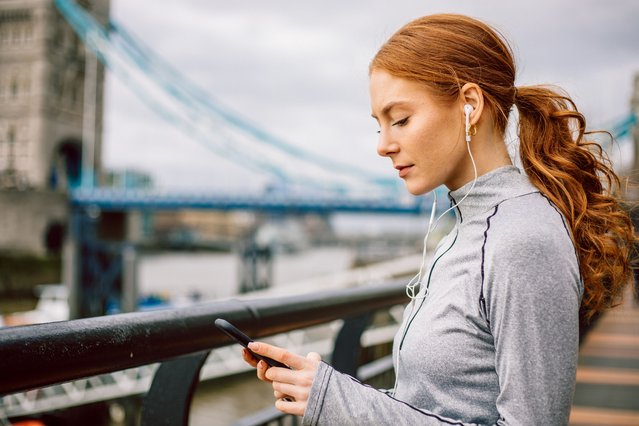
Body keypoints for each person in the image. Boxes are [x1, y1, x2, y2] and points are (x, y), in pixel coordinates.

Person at [242, 13, 636, 425]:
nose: (383, 146)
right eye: (378, 125)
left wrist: (334, 399)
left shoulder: (524, 238)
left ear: (469, 105)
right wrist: (326, 389)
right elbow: (433, 407)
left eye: (400, 120)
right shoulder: (464, 230)